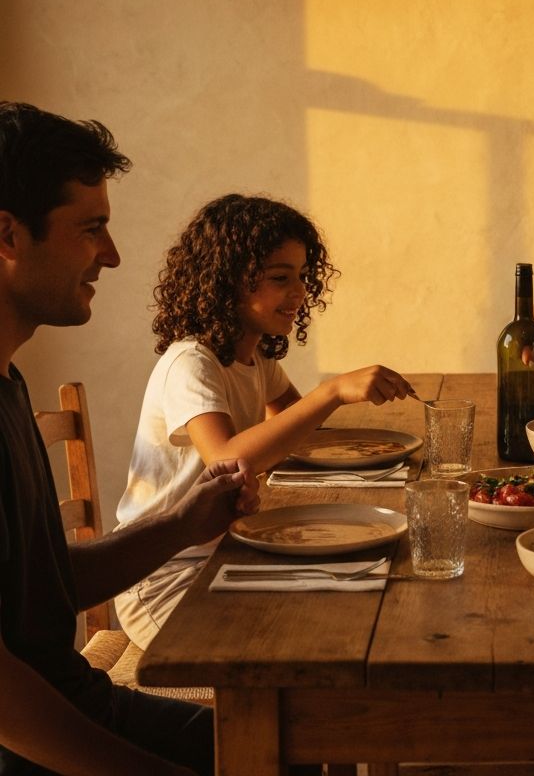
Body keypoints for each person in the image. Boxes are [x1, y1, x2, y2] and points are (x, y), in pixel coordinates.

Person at [0, 101, 259, 776]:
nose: (112, 256)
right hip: (31, 749)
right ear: (8, 235)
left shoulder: (9, 382)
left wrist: (181, 522)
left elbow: (48, 583)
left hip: (79, 702)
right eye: (91, 229)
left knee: (293, 747)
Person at [114, 193, 415, 648]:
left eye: (302, 276)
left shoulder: (254, 358)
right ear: (226, 282)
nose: (300, 292)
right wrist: (331, 391)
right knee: (297, 641)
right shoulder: (191, 363)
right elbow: (225, 461)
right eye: (280, 278)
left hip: (229, 553)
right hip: (166, 577)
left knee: (359, 606)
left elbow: (300, 435)